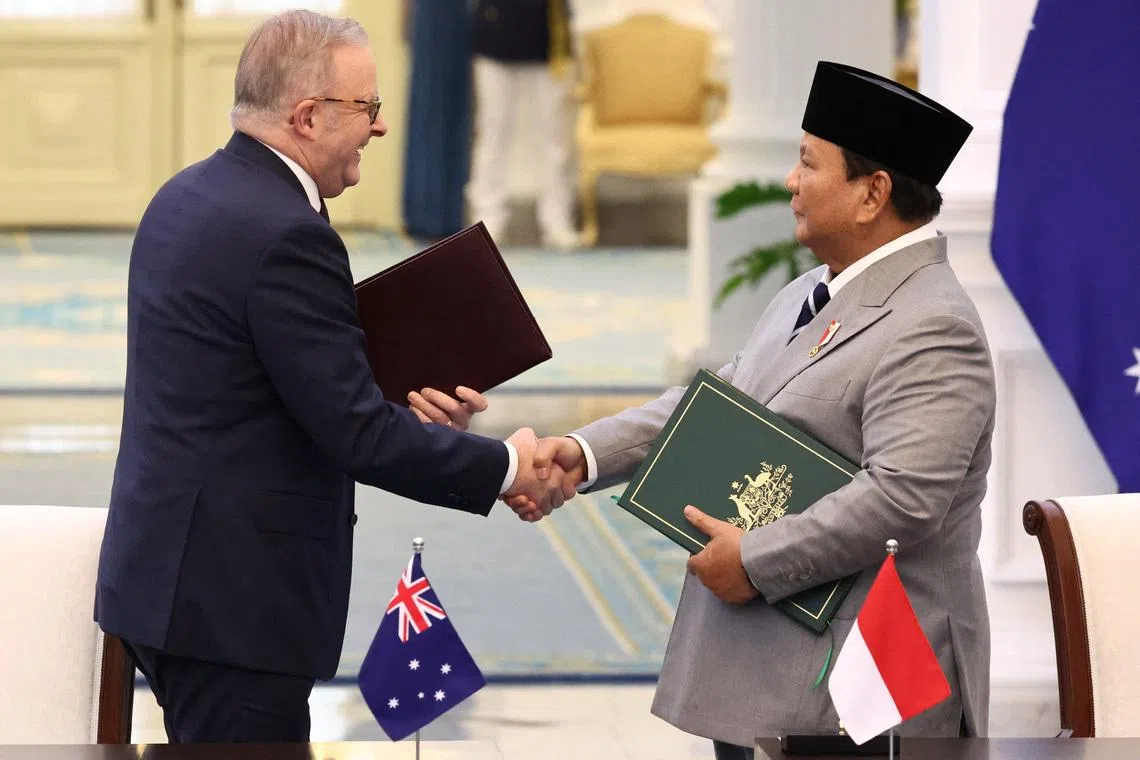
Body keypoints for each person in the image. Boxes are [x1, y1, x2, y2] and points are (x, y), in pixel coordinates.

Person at [509, 61, 993, 757]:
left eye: (808, 165)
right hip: (765, 666)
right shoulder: (806, 293)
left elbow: (905, 497)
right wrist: (579, 456)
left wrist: (758, 559)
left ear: (871, 193)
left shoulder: (933, 324)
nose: (790, 183)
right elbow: (716, 409)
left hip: (860, 687)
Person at [94, 10, 547, 744]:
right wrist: (509, 466)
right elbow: (354, 433)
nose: (379, 127)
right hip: (235, 608)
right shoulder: (287, 234)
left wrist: (393, 396)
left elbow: (249, 377)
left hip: (169, 582)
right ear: (308, 116)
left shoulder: (186, 195)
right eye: (368, 107)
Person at [467, 0, 578, 248]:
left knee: (556, 140)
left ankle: (556, 220)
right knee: (492, 135)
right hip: (495, 31)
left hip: (550, 40)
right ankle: (487, 221)